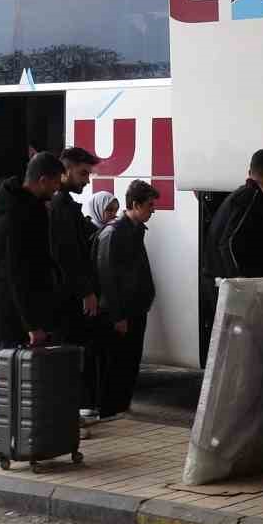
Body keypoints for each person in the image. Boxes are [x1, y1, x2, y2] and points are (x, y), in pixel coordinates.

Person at [201, 148, 263, 363]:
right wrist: (242, 284)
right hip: (227, 286)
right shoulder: (250, 197)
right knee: (241, 353)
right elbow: (228, 243)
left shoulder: (241, 195)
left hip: (219, 282)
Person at [0, 151, 65, 359]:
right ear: (42, 180)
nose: (58, 188)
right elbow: (16, 271)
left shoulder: (20, 207)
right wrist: (31, 323)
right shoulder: (18, 214)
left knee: (12, 379)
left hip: (16, 313)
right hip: (15, 317)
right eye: (56, 182)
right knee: (10, 380)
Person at [96, 179, 160, 420]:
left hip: (135, 309)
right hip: (121, 312)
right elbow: (107, 277)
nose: (153, 209)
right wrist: (117, 315)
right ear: (135, 204)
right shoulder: (114, 233)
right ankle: (110, 409)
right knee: (117, 363)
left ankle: (121, 406)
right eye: (150, 204)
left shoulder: (134, 231)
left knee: (131, 360)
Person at [49, 146, 104, 422]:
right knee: (70, 355)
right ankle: (69, 414)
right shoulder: (60, 206)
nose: (86, 180)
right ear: (66, 170)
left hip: (67, 294)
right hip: (67, 298)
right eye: (83, 173)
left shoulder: (64, 205)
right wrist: (86, 291)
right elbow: (68, 255)